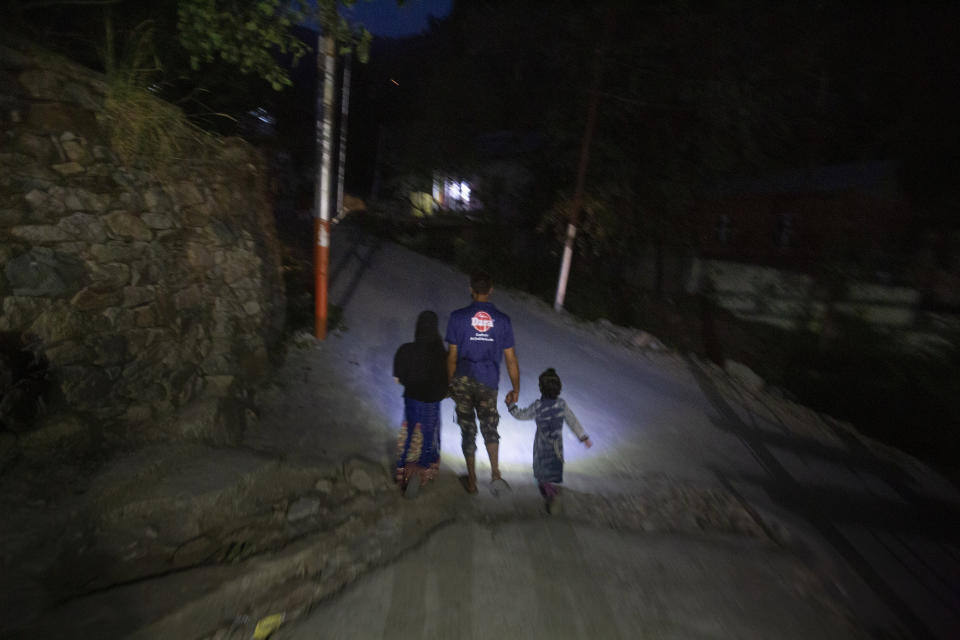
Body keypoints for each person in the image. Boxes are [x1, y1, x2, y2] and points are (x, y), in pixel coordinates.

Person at [445, 271, 520, 495]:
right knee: (490, 426)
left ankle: (472, 482)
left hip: (463, 380)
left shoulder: (457, 317)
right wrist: (516, 388)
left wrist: (449, 383)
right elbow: (510, 358)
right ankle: (495, 473)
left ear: (471, 289)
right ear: (491, 290)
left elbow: (452, 357)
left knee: (468, 429)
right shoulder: (502, 320)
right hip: (488, 381)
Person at [507, 368, 592, 513]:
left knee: (540, 475)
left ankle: (551, 497)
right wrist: (583, 437)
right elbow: (573, 421)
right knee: (550, 473)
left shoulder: (538, 406)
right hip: (557, 446)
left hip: (542, 446)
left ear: (541, 388)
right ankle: (551, 492)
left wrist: (511, 405)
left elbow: (521, 415)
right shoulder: (561, 405)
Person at [393, 310, 448, 498]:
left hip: (412, 399)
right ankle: (423, 470)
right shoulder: (443, 355)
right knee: (428, 434)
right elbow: (448, 382)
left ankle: (404, 472)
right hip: (432, 402)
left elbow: (398, 379)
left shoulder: (405, 350)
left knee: (410, 432)